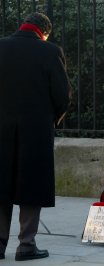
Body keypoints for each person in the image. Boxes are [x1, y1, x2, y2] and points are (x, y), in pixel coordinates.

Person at [0, 12, 71, 261]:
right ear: (44, 31)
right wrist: (50, 120)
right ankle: (26, 245)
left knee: (2, 186)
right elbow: (63, 96)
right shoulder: (50, 51)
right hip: (36, 132)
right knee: (31, 187)